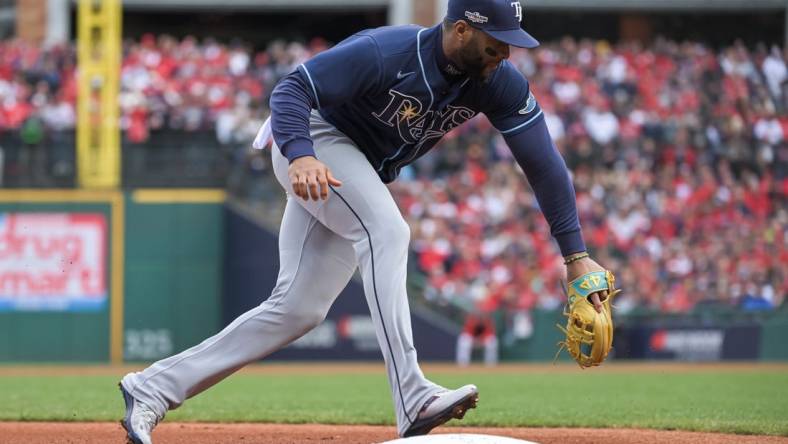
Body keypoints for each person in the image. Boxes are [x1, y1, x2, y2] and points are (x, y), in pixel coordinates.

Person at [119, 1, 613, 443]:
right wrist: (299, 155)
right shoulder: (387, 50)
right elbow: (293, 89)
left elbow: (544, 163)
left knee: (298, 309)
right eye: (496, 44)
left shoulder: (497, 82)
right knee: (388, 231)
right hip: (312, 138)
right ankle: (413, 396)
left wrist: (575, 255)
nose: (504, 55)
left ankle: (151, 388)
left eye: (510, 45)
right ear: (461, 30)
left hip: (356, 168)